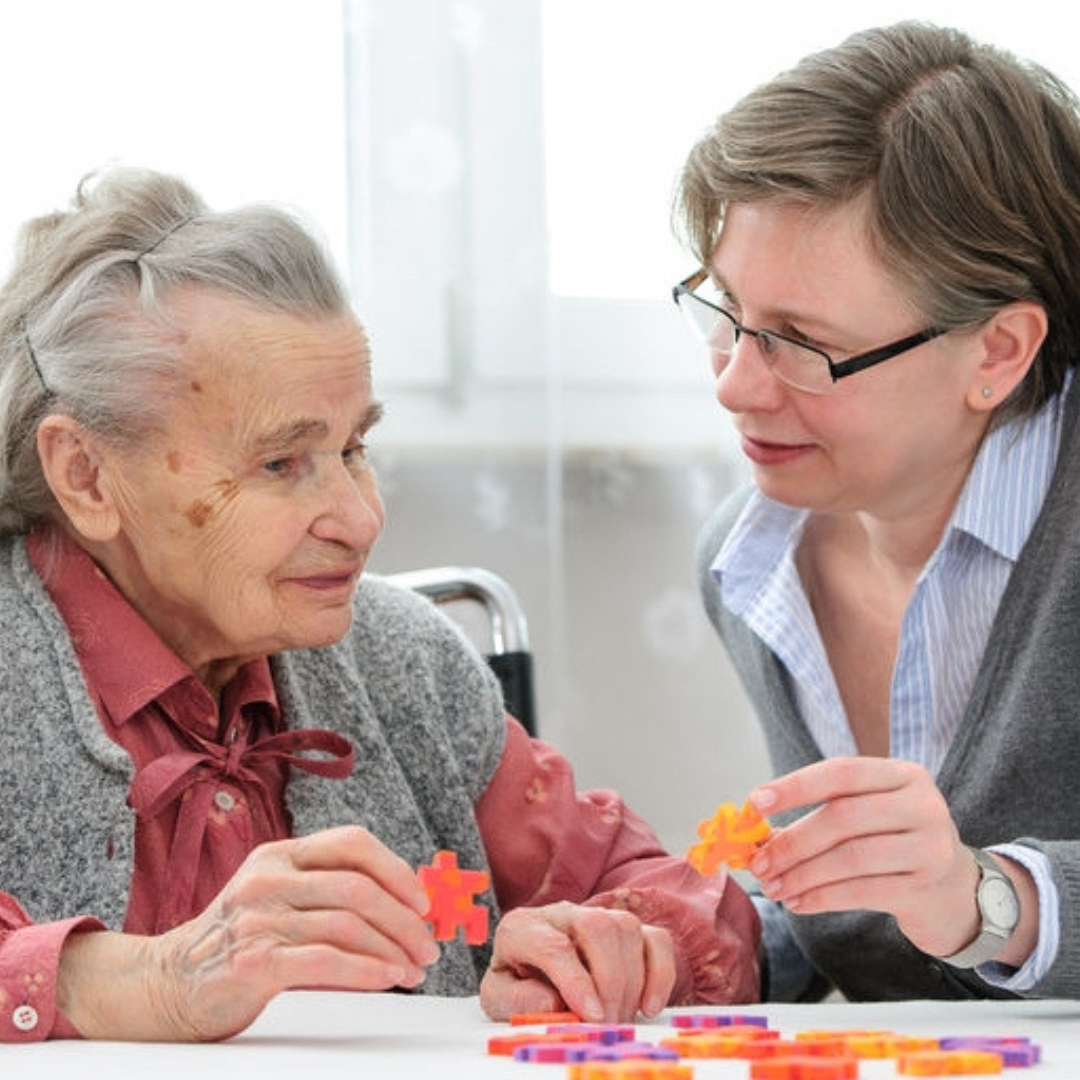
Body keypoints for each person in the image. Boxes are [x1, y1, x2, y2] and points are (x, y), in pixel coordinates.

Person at [0, 166, 760, 1042]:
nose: (362, 519)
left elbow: (685, 903)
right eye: (281, 464)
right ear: (86, 476)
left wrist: (608, 948)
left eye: (356, 447)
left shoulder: (401, 661)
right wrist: (141, 979)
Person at [671, 20, 1080, 1002]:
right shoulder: (746, 561)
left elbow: (947, 901)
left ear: (997, 352)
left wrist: (990, 896)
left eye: (803, 343)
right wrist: (694, 947)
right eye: (726, 313)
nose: (734, 386)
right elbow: (855, 919)